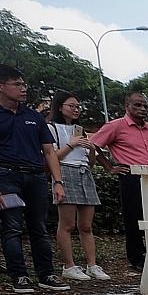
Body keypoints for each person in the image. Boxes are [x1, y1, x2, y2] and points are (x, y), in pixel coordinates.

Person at [0, 64, 70, 294]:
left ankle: (46, 274)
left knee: (39, 228)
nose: (23, 89)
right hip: (5, 174)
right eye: (17, 84)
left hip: (35, 175)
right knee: (12, 227)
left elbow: (48, 152)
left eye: (23, 84)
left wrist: (58, 181)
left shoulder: (33, 116)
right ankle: (20, 276)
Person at [92, 91, 148, 272]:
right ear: (127, 106)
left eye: (145, 106)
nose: (142, 109)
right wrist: (109, 167)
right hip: (131, 175)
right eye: (137, 105)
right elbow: (93, 145)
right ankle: (137, 257)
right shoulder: (116, 126)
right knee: (134, 217)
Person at [48, 91, 109, 282]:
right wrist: (71, 144)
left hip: (84, 173)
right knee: (67, 224)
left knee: (86, 225)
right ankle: (69, 265)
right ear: (60, 107)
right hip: (65, 172)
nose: (76, 110)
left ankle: (92, 265)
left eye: (78, 106)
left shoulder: (79, 129)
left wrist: (91, 150)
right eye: (71, 106)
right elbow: (52, 157)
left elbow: (90, 162)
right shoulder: (51, 128)